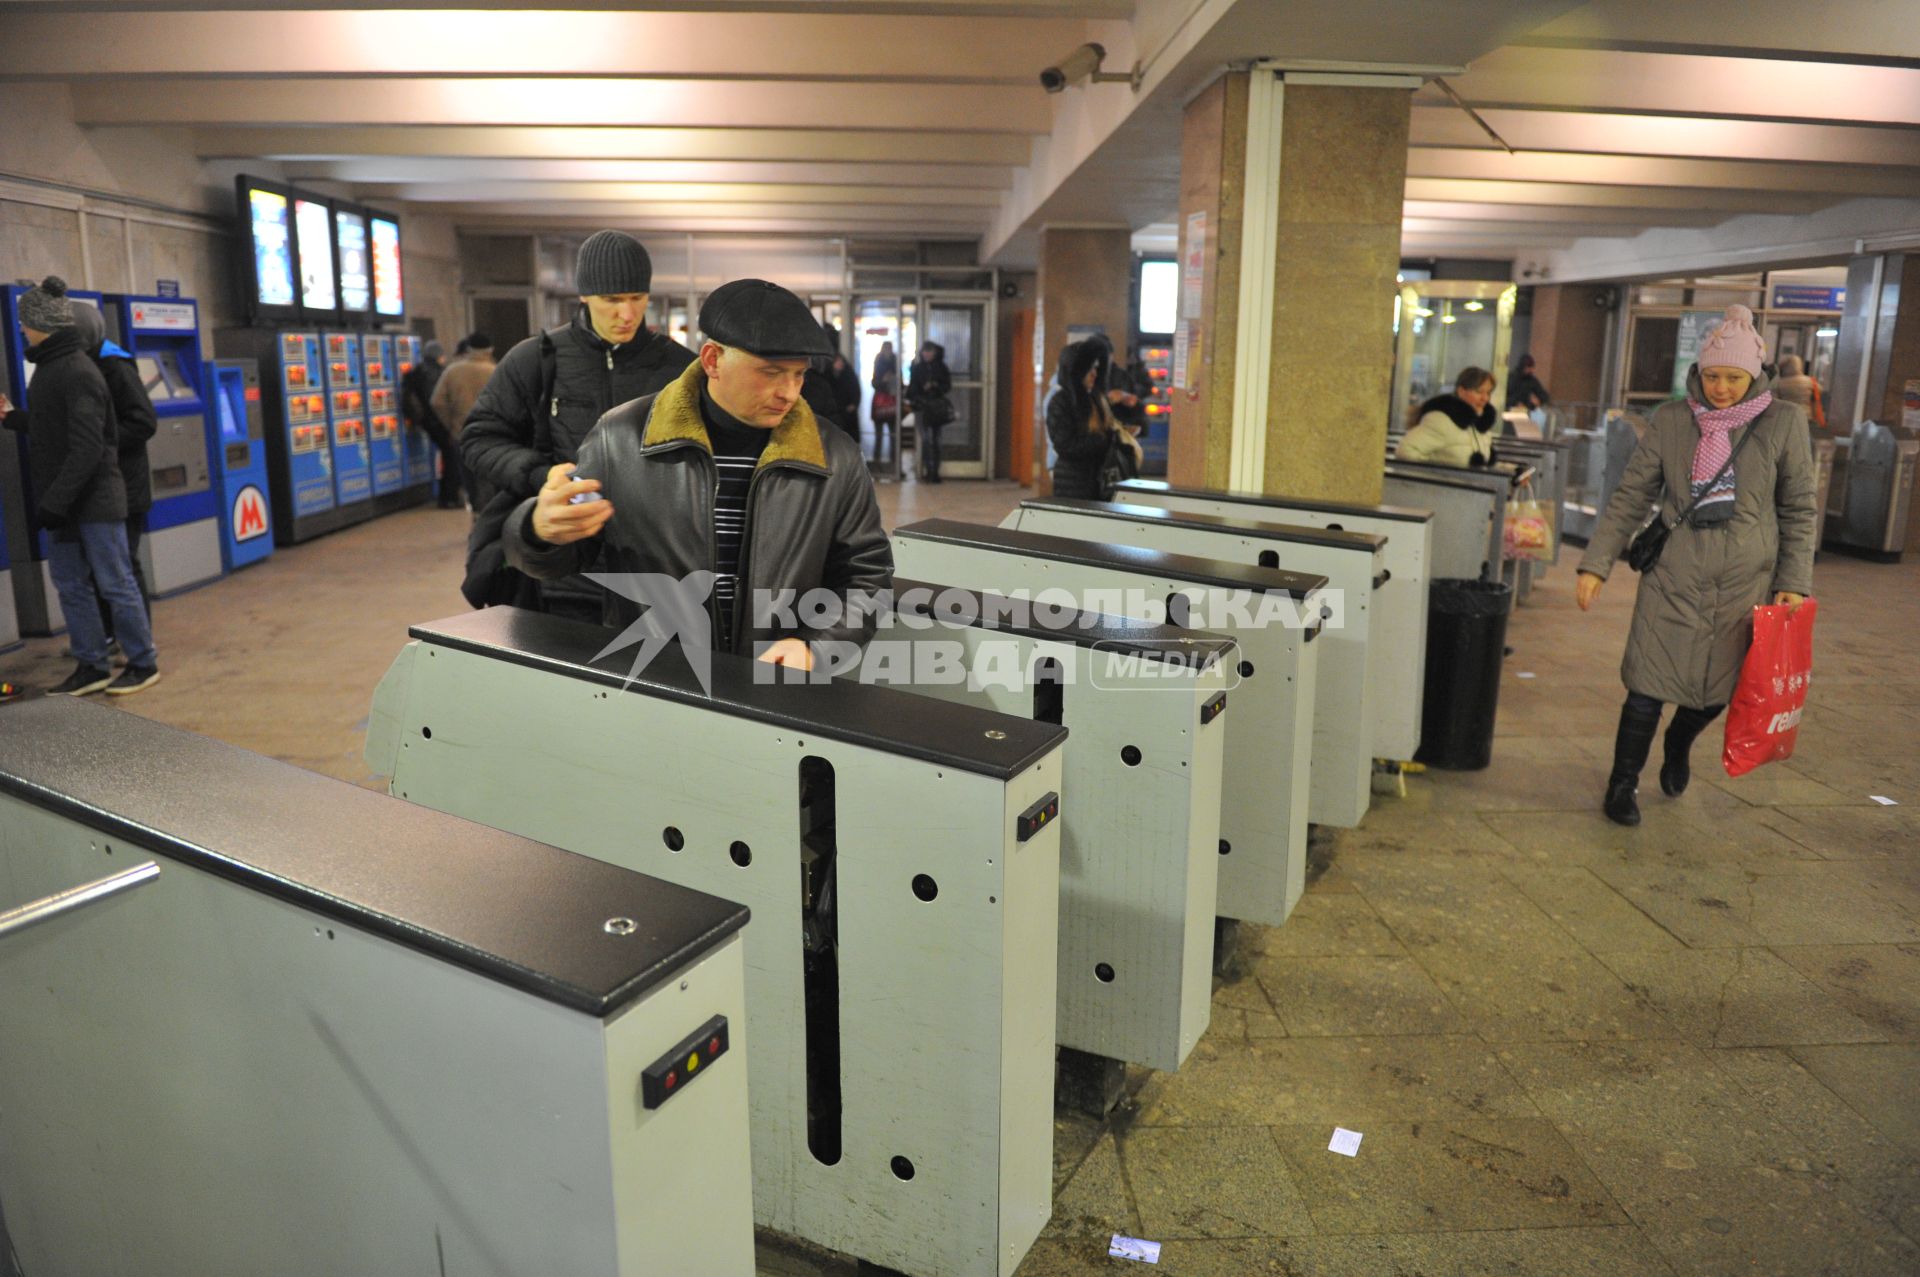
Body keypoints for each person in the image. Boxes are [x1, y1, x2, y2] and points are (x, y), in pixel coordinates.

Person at [505, 279, 891, 670]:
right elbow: (564, 559)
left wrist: (817, 647)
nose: (789, 393)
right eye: (771, 372)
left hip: (774, 687)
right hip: (656, 677)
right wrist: (537, 529)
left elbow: (867, 576)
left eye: (798, 374)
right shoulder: (621, 438)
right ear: (712, 360)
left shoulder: (834, 455)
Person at [1575, 304, 1816, 827]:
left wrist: (1793, 582)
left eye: (1732, 377)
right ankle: (1622, 784)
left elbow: (1799, 509)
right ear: (1698, 373)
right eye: (1712, 376)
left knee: (1716, 694)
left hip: (1746, 585)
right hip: (1673, 577)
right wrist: (1595, 564)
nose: (1721, 388)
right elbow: (1631, 496)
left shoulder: (1783, 423)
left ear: (1754, 375)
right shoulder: (1672, 420)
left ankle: (1680, 741)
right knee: (1646, 685)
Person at [460, 229, 695, 612]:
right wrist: (540, 475)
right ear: (584, 295)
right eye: (612, 299)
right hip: (557, 571)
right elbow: (479, 439)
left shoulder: (680, 370)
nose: (628, 313)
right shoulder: (534, 359)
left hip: (653, 573)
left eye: (638, 298)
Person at [0, 277, 159, 695]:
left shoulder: (76, 370)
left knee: (114, 581)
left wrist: (53, 501)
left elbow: (88, 448)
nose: (20, 329)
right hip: (66, 500)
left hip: (94, 501)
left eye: (24, 322)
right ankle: (92, 664)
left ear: (41, 324)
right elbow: (56, 431)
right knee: (71, 585)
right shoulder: (51, 368)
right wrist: (14, 417)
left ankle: (143, 662)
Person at [70, 302, 157, 639]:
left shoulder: (114, 365)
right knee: (103, 566)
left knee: (124, 566)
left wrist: (101, 441)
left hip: (125, 483)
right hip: (107, 481)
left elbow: (144, 422)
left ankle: (139, 638)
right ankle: (110, 635)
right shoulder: (91, 362)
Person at [1045, 335, 1140, 499]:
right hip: (1073, 483)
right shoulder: (1060, 401)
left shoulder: (1096, 398)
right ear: (1077, 370)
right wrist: (1103, 441)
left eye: (1096, 368)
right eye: (1089, 369)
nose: (1094, 374)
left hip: (1100, 479)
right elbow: (1065, 445)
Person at [428, 333, 497, 509]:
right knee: (490, 478)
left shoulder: (453, 370)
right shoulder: (496, 371)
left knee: (469, 478)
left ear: (468, 349)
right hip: (493, 435)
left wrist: (451, 424)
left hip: (462, 433)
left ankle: (475, 509)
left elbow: (437, 402)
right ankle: (489, 514)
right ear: (490, 350)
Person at [402, 340, 462, 509]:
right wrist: (448, 422)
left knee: (448, 456)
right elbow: (437, 401)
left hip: (426, 422)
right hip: (439, 422)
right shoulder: (438, 373)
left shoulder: (416, 372)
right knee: (452, 457)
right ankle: (449, 497)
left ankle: (446, 496)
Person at [1397, 367, 1499, 467]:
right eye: (1479, 392)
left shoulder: (1480, 423)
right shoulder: (1441, 421)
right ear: (1461, 391)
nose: (1485, 398)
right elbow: (1406, 450)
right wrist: (1435, 475)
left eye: (1488, 393)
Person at [906, 341, 953, 483]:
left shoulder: (941, 367)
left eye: (930, 351)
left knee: (936, 440)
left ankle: (935, 472)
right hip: (922, 408)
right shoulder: (917, 368)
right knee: (926, 440)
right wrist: (920, 393)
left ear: (935, 352)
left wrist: (935, 386)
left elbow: (947, 385)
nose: (927, 354)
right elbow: (912, 389)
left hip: (936, 408)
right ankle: (928, 470)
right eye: (925, 351)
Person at [1772, 353, 1826, 430]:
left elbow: (1774, 402)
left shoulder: (1779, 383)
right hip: (1806, 417)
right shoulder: (1810, 381)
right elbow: (1820, 391)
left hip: (1786, 418)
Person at [870, 340, 899, 459]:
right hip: (881, 403)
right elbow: (874, 382)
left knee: (894, 435)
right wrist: (883, 381)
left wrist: (892, 380)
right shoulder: (879, 363)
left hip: (891, 403)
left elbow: (898, 384)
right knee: (879, 435)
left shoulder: (895, 363)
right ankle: (877, 462)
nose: (887, 351)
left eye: (889, 349)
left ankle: (894, 462)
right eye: (886, 349)